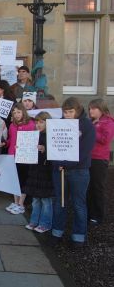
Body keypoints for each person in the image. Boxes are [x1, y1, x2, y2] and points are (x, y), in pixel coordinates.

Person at [50, 97, 95, 248]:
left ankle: (78, 237)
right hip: (60, 170)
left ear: (77, 110)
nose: (68, 115)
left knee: (78, 204)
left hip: (79, 171)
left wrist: (65, 164)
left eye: (70, 112)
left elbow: (84, 152)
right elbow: (54, 146)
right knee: (60, 203)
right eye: (65, 112)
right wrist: (58, 163)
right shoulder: (59, 124)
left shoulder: (87, 126)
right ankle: (57, 233)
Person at [24, 112, 53, 233]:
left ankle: (45, 223)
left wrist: (45, 149)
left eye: (41, 122)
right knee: (35, 199)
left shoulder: (52, 136)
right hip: (35, 170)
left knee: (46, 200)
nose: (38, 124)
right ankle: (34, 221)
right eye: (36, 122)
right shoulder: (34, 135)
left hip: (46, 171)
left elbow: (56, 153)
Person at [87, 99, 114, 225]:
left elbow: (105, 139)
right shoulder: (91, 121)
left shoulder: (108, 121)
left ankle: (98, 215)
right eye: (90, 108)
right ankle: (89, 212)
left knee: (98, 187)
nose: (91, 111)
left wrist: (92, 130)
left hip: (99, 159)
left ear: (101, 109)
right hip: (88, 157)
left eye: (94, 108)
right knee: (88, 186)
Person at [5, 103, 35, 215]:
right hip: (12, 156)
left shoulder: (31, 125)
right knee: (14, 180)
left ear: (23, 112)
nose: (16, 114)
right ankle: (16, 202)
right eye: (14, 112)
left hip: (24, 157)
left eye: (19, 112)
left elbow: (33, 140)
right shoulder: (12, 125)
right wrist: (4, 143)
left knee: (23, 180)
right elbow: (10, 140)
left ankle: (21, 204)